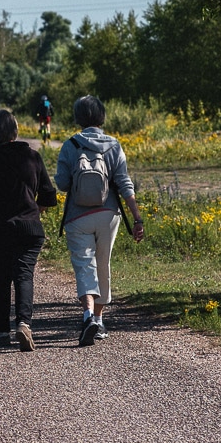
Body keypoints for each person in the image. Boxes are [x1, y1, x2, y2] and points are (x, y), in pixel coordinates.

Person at [55, 95, 144, 346]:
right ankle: (100, 320)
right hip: (108, 215)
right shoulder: (114, 145)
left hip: (77, 215)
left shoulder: (70, 145)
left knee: (85, 266)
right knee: (102, 264)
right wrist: (137, 218)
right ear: (102, 116)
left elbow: (62, 184)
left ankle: (87, 317)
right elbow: (124, 184)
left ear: (78, 118)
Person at [0, 108, 57, 351]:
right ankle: (24, 324)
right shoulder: (33, 157)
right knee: (23, 274)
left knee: (0, 278)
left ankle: (1, 331)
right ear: (15, 130)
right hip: (30, 229)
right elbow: (49, 196)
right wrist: (32, 211)